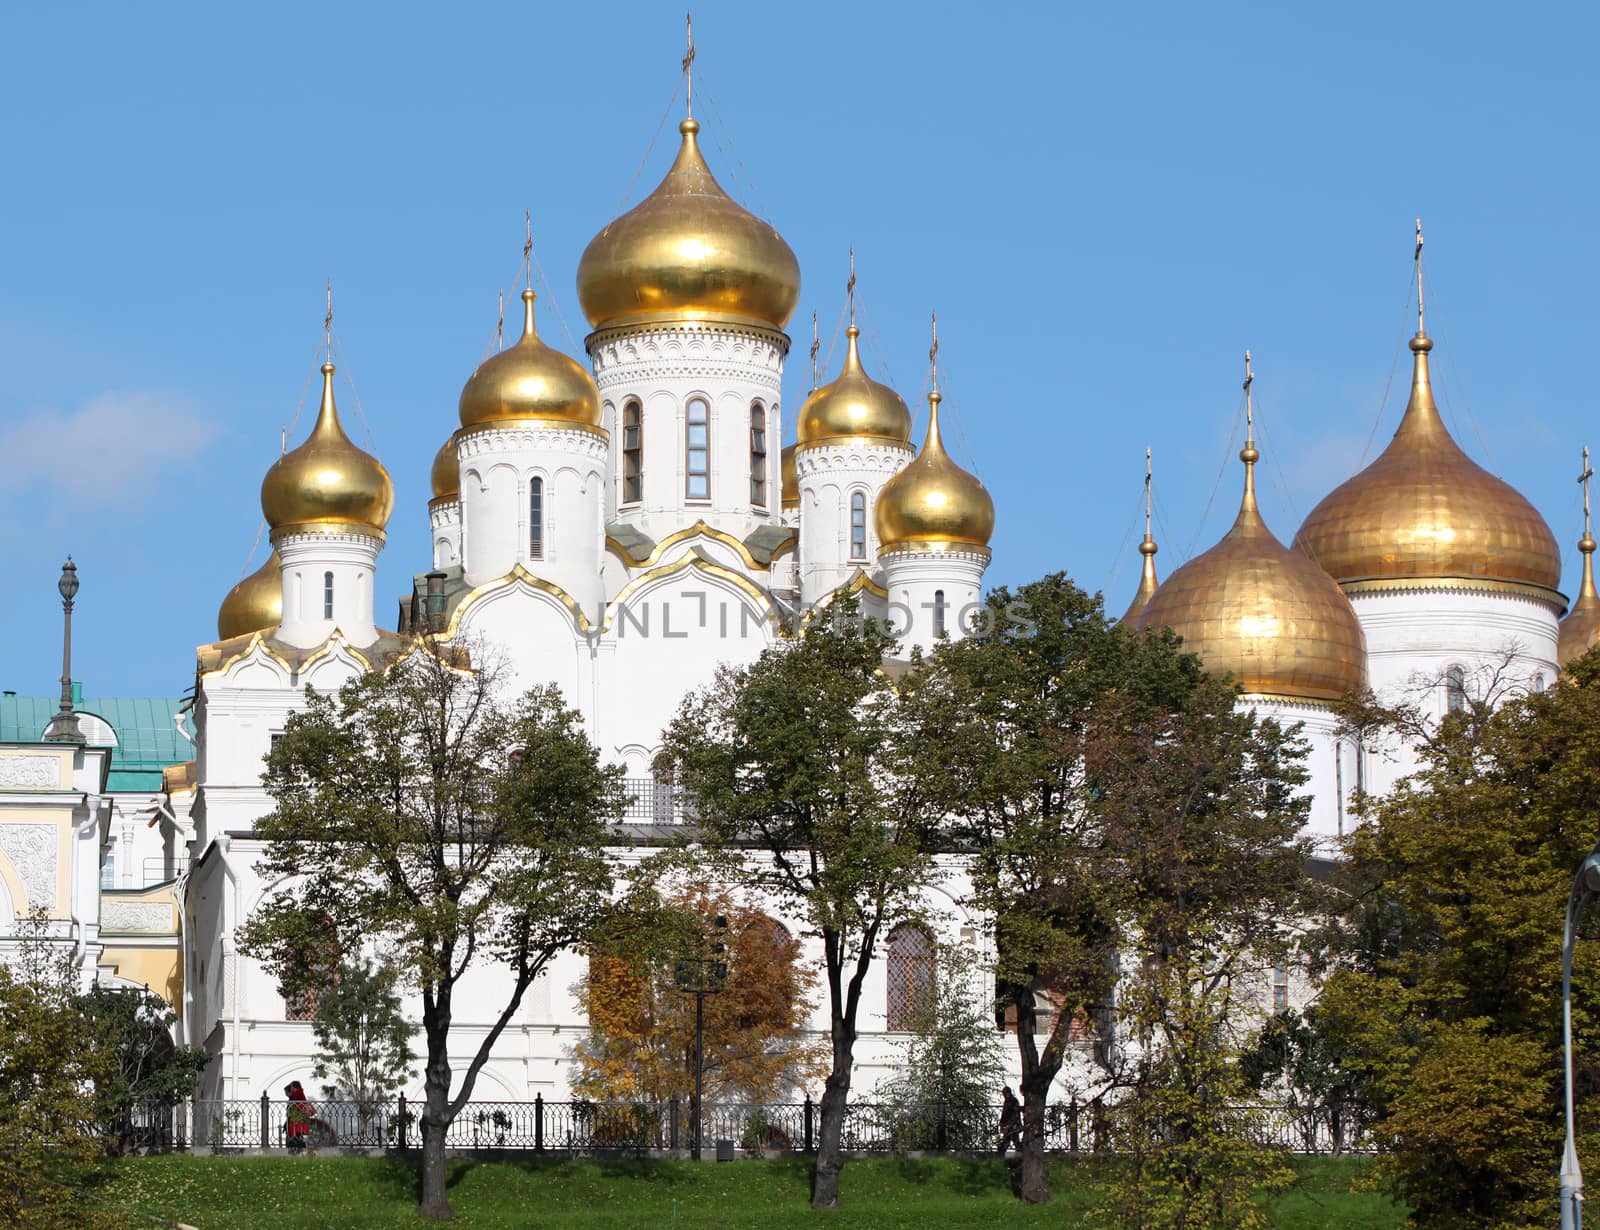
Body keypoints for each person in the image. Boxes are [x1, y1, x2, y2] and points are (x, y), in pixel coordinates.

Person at [285, 1081, 315, 1152]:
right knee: (297, 1135)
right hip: (296, 1118)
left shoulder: (298, 1093)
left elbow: (295, 1103)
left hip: (297, 1119)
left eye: (291, 1087)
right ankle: (297, 1148)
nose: (291, 1089)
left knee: (296, 1135)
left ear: (295, 1087)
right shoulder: (298, 1093)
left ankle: (297, 1149)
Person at [997, 1085, 1022, 1155]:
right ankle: (1001, 1152)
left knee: (1012, 1139)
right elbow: (1004, 1113)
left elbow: (1015, 1114)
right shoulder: (1007, 1101)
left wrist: (1010, 1125)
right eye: (1003, 1094)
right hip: (1009, 1125)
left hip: (1013, 1124)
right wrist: (1002, 1123)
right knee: (1009, 1139)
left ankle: (1021, 1153)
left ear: (1009, 1093)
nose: (1004, 1095)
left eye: (1005, 1093)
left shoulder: (1013, 1101)